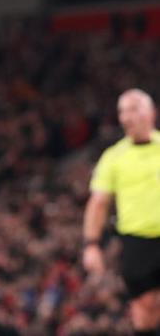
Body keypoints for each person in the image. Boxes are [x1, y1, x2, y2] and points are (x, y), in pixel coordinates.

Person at [83, 88, 160, 336]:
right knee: (144, 307)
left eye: (134, 109)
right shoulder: (113, 157)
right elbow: (98, 203)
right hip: (137, 240)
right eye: (122, 111)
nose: (127, 116)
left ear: (151, 113)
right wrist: (91, 244)